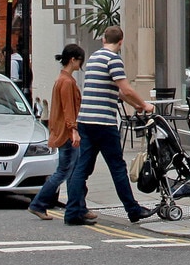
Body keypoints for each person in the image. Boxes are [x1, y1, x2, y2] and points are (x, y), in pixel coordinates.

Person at [66, 25, 156, 225]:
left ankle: (72, 212)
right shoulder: (114, 60)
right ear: (121, 42)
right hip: (103, 122)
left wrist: (135, 106)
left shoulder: (94, 58)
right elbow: (125, 88)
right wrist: (144, 105)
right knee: (117, 167)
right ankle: (133, 210)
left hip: (85, 120)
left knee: (82, 168)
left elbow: (119, 92)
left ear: (103, 40)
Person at [29, 44, 90, 220]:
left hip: (63, 132)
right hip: (67, 134)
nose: (80, 65)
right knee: (65, 172)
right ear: (73, 60)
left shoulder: (62, 80)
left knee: (72, 172)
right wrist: (74, 131)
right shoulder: (67, 82)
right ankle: (38, 204)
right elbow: (69, 109)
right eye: (80, 61)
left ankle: (79, 207)